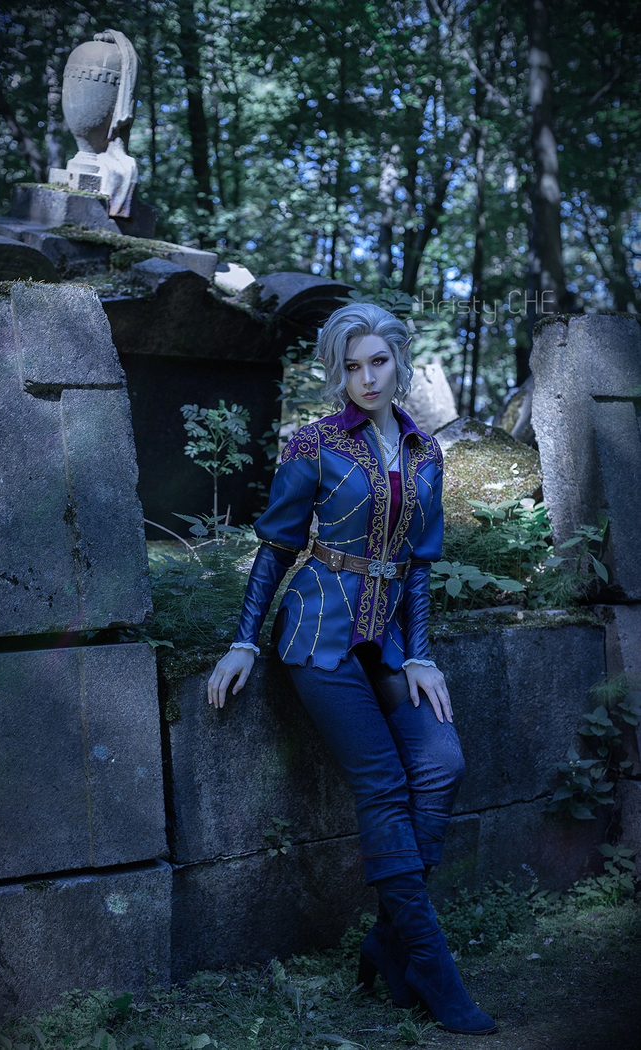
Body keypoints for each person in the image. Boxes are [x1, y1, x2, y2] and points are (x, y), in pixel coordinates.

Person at [207, 303, 496, 1036]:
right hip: (317, 631)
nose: (366, 378)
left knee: (442, 763)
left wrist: (420, 653)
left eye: (378, 362)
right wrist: (244, 642)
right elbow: (277, 546)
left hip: (387, 638)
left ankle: (387, 943)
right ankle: (431, 964)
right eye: (352, 365)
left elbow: (420, 565)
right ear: (338, 372)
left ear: (399, 362)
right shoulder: (313, 443)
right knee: (385, 783)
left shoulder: (426, 452)